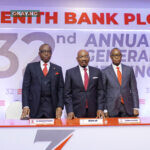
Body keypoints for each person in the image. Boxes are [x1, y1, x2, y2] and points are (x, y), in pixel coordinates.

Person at [21, 43, 64, 119]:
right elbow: (25, 88)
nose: (46, 53)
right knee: (34, 130)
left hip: (52, 107)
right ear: (39, 53)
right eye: (43, 51)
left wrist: (60, 106)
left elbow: (61, 89)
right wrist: (25, 105)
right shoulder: (31, 67)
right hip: (34, 107)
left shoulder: (57, 69)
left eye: (48, 51)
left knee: (51, 130)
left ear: (51, 53)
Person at [64, 49, 105, 119]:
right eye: (81, 57)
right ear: (77, 59)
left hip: (94, 111)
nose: (84, 59)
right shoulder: (70, 73)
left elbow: (100, 91)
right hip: (76, 111)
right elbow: (67, 94)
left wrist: (100, 108)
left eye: (86, 56)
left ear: (89, 58)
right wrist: (70, 110)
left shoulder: (97, 72)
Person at [102, 48, 139, 117]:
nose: (116, 57)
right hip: (111, 108)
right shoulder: (105, 72)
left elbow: (134, 89)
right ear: (110, 57)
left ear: (121, 56)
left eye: (118, 55)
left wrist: (136, 107)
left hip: (127, 107)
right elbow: (103, 92)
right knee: (112, 128)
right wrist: (105, 109)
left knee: (128, 128)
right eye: (114, 55)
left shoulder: (129, 70)